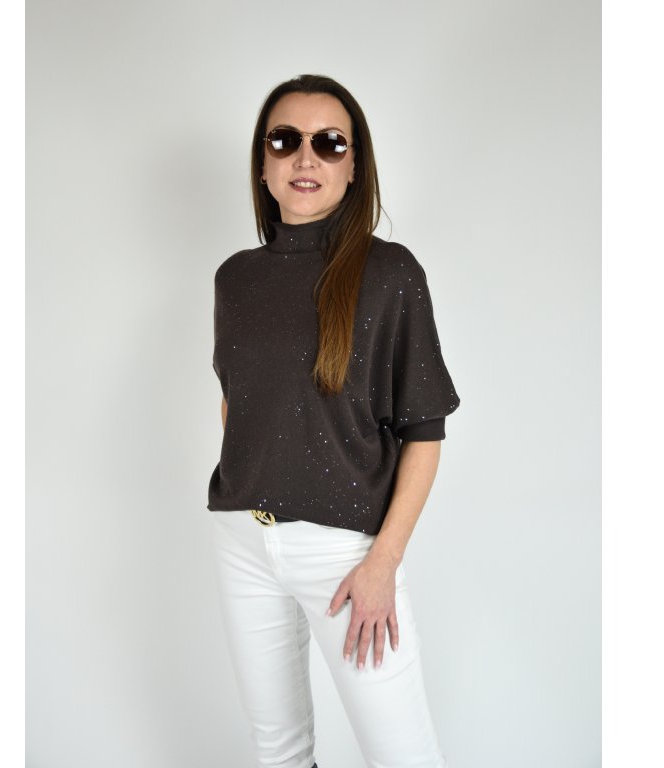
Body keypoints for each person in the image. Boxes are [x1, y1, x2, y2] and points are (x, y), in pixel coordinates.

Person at [207, 74, 460, 768]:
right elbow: (237, 401)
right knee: (279, 750)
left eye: (329, 143)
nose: (305, 157)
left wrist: (383, 561)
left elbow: (425, 431)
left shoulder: (390, 273)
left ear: (354, 166)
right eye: (284, 140)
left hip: (346, 556)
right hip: (243, 541)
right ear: (263, 165)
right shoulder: (235, 278)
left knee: (403, 755)